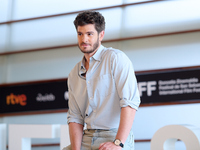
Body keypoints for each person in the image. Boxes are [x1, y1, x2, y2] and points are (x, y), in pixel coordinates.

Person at [63, 11, 140, 150]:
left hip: (114, 135)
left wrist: (118, 143)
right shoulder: (74, 73)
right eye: (80, 34)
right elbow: (75, 117)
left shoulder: (116, 59)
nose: (84, 39)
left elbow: (130, 103)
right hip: (87, 136)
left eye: (89, 34)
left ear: (101, 35)